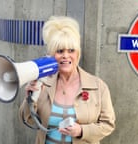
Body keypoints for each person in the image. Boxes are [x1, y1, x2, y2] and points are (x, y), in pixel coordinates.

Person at [19, 16, 115, 144]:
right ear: (52, 55)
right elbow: (27, 119)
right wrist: (30, 99)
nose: (65, 55)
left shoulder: (98, 86)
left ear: (77, 54)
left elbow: (108, 125)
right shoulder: (43, 83)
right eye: (60, 51)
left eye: (71, 50)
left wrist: (81, 131)